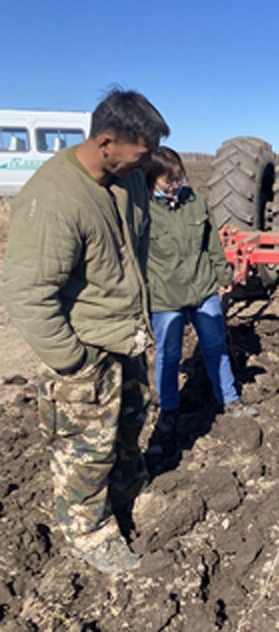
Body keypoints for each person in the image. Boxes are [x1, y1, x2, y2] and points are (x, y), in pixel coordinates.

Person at [0, 89, 169, 574]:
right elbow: (27, 293)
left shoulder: (128, 181)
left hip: (126, 342)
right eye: (141, 153)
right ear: (106, 142)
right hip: (85, 353)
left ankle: (130, 492)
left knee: (127, 433)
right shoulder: (55, 197)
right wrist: (72, 360)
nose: (148, 163)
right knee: (84, 454)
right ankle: (92, 533)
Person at [145, 146, 257, 444]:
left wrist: (223, 275)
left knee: (215, 346)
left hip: (203, 289)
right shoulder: (141, 211)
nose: (176, 185)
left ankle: (229, 400)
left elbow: (212, 245)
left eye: (179, 178)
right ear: (151, 180)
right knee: (168, 355)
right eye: (168, 181)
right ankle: (169, 409)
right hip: (165, 297)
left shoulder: (195, 202)